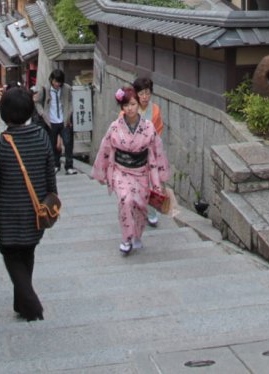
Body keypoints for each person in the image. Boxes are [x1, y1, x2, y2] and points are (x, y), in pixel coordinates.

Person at [0, 86, 56, 321]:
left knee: (12, 255)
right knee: (27, 252)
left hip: (7, 213)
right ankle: (21, 303)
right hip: (36, 211)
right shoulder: (41, 136)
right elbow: (50, 174)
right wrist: (52, 201)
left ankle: (31, 304)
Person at [92, 85, 169, 256]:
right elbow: (105, 148)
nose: (130, 108)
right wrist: (101, 171)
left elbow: (156, 150)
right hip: (121, 171)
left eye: (133, 104)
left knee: (140, 206)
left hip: (141, 172)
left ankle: (137, 235)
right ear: (122, 107)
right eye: (126, 105)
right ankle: (126, 239)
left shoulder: (148, 127)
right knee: (125, 200)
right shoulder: (115, 127)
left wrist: (160, 176)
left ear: (138, 105)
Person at [132, 76, 164, 225]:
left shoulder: (155, 110)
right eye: (141, 94)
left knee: (151, 183)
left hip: (150, 153)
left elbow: (158, 130)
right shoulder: (130, 108)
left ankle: (151, 212)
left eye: (147, 93)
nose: (145, 97)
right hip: (133, 154)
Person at [34, 69, 75, 175]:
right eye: (55, 81)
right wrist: (42, 113)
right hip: (51, 121)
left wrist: (69, 112)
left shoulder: (67, 88)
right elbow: (37, 102)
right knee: (52, 144)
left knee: (68, 143)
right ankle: (56, 164)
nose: (57, 84)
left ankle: (69, 166)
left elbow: (70, 101)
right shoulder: (45, 89)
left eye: (59, 82)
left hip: (63, 120)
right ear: (51, 80)